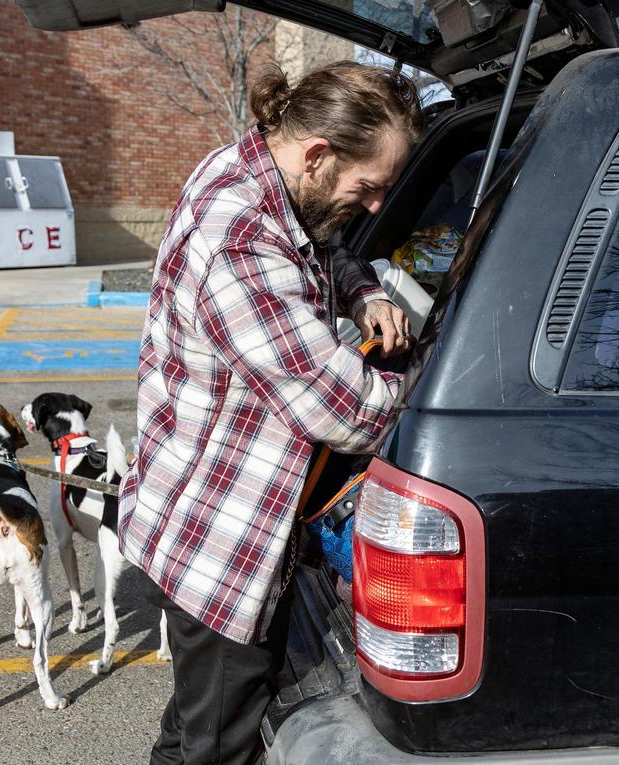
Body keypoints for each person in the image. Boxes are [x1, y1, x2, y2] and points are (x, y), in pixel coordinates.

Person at [116, 62, 423, 765]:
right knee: (221, 747)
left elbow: (327, 242)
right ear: (317, 154)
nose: (377, 206)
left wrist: (365, 295)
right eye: (367, 186)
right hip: (221, 541)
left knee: (198, 727)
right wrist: (429, 381)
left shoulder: (266, 176)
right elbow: (343, 406)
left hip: (216, 516)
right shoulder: (239, 238)